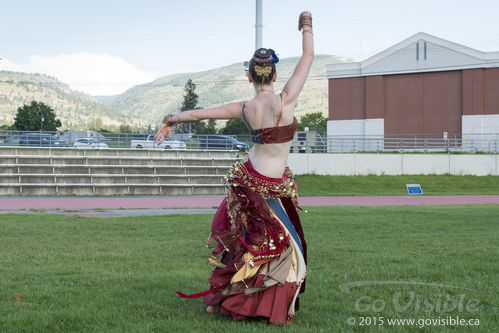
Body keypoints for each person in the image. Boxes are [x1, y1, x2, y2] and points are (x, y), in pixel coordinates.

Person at [155, 11, 314, 325]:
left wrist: (169, 119)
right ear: (275, 75)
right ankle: (249, 304)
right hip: (268, 187)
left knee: (248, 245)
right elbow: (308, 56)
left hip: (251, 182)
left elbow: (200, 114)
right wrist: (307, 25)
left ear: (250, 77)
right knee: (282, 248)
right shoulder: (287, 100)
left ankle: (222, 300)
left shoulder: (245, 108)